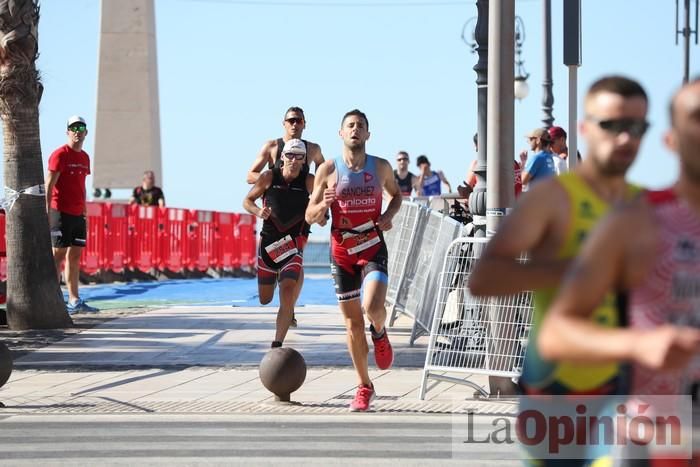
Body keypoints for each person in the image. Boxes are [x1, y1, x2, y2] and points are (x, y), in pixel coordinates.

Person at [468, 76, 649, 464]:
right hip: (557, 390)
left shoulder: (645, 206)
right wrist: (568, 270)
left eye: (635, 128)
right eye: (611, 126)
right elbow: (485, 277)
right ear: (584, 130)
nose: (623, 139)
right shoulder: (554, 199)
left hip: (622, 389)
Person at [538, 78, 700, 463]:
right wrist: (639, 345)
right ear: (671, 140)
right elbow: (557, 332)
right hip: (657, 433)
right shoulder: (635, 222)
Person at [305, 109, 402, 412]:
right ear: (341, 133)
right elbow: (310, 215)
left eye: (360, 126)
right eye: (350, 126)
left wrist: (387, 216)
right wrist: (324, 202)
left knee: (372, 307)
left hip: (372, 245)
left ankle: (381, 332)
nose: (355, 130)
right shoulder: (329, 170)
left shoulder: (381, 167)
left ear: (368, 135)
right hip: (342, 252)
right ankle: (364, 386)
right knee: (352, 325)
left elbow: (396, 196)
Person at [244, 139, 314, 348]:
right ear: (282, 157)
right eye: (290, 155)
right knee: (265, 298)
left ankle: (277, 343)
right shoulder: (269, 176)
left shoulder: (308, 181)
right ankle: (276, 276)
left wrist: (321, 212)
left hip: (293, 244)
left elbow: (321, 200)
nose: (293, 160)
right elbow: (247, 201)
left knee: (287, 291)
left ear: (303, 160)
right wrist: (259, 211)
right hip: (268, 244)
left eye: (298, 156)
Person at [45, 116, 99, 314]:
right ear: (67, 131)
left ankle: (74, 300)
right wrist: (46, 211)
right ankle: (52, 297)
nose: (77, 131)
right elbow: (49, 185)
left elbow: (81, 185)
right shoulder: (60, 155)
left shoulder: (84, 157)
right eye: (73, 127)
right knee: (57, 255)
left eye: (81, 127)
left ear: (86, 132)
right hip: (59, 211)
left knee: (75, 255)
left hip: (78, 213)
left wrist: (85, 210)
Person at [246, 107, 324, 183]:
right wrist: (274, 180)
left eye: (299, 121)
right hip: (275, 194)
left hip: (299, 195)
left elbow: (325, 171)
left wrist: (317, 186)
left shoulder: (313, 149)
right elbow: (250, 176)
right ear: (284, 123)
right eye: (291, 121)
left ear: (304, 124)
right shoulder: (271, 147)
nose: (295, 124)